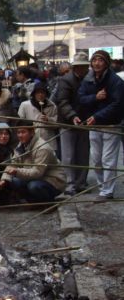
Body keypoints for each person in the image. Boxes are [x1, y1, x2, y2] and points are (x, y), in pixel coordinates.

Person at [78, 50, 124, 201]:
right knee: (96, 159)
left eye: (100, 60)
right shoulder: (88, 79)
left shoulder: (115, 81)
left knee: (108, 159)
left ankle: (107, 191)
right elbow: (81, 98)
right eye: (94, 60)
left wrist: (97, 116)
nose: (97, 63)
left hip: (111, 124)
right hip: (93, 124)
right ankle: (102, 186)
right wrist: (95, 97)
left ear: (106, 63)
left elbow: (117, 104)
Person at [0, 120, 66, 203]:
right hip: (35, 178)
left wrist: (17, 171)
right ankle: (33, 201)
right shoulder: (21, 145)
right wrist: (4, 180)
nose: (20, 135)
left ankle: (48, 202)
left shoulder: (42, 148)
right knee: (14, 181)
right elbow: (13, 163)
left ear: (32, 132)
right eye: (18, 132)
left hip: (52, 181)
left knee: (33, 186)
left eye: (23, 132)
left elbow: (37, 173)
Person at [55, 52, 91, 195]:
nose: (81, 69)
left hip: (85, 121)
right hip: (67, 122)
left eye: (84, 67)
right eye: (79, 67)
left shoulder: (89, 79)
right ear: (74, 67)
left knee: (83, 153)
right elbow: (62, 101)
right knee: (68, 155)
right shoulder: (66, 80)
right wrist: (72, 116)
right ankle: (69, 184)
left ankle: (81, 183)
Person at [18, 81, 58, 150]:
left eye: (42, 92)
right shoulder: (25, 105)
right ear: (34, 94)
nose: (40, 95)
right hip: (30, 141)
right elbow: (20, 123)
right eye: (38, 92)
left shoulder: (52, 106)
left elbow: (56, 124)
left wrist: (48, 120)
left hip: (48, 141)